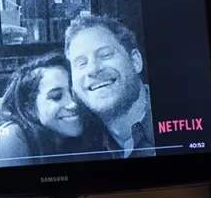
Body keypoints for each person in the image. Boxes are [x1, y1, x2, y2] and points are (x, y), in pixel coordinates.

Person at [0, 52, 108, 169]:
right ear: (29, 107)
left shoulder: (92, 129)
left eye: (76, 93)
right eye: (56, 97)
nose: (73, 104)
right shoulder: (12, 137)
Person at [64, 14, 155, 159]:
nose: (92, 70)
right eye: (81, 63)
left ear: (136, 61)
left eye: (105, 55)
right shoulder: (78, 144)